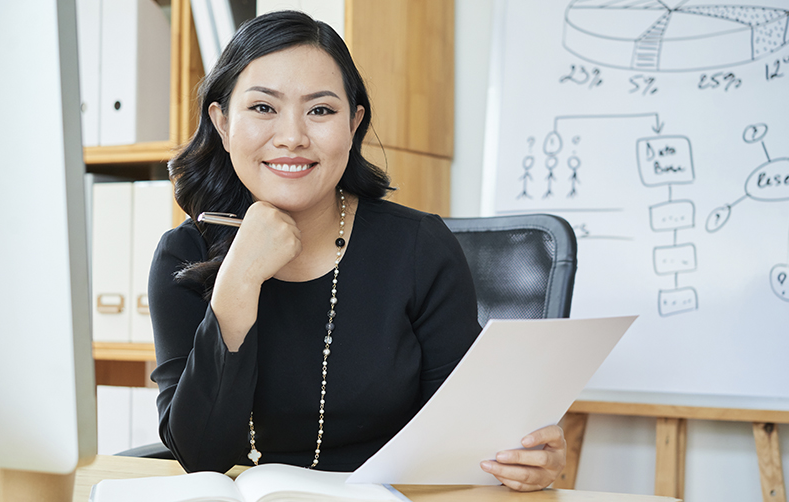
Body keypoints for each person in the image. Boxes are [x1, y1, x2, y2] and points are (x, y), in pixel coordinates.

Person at [148, 10, 565, 491]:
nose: (292, 136)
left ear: (354, 123)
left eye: (320, 110)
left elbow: (469, 439)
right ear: (222, 123)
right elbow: (201, 456)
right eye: (263, 108)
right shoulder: (182, 256)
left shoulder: (417, 248)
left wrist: (527, 459)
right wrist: (239, 281)